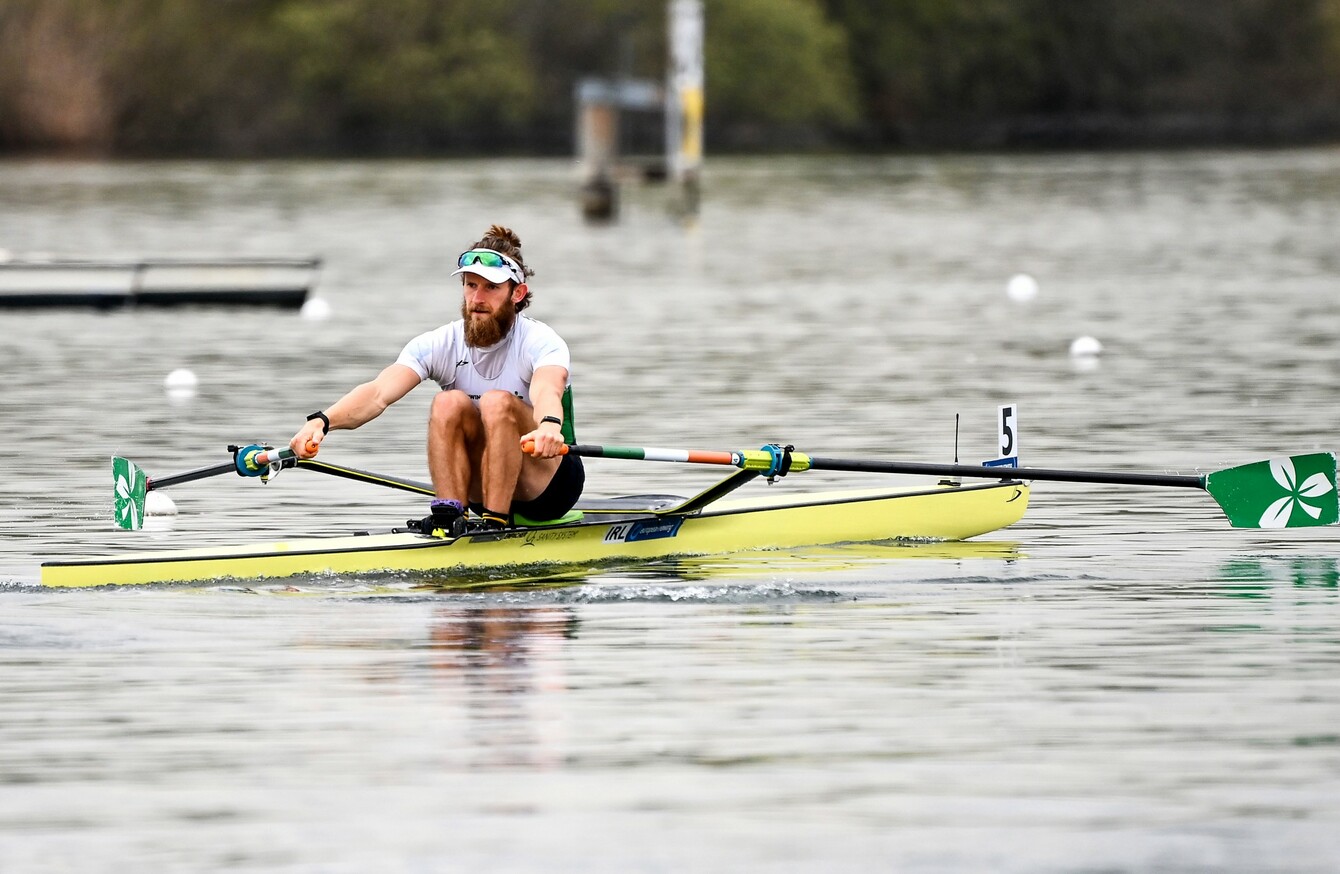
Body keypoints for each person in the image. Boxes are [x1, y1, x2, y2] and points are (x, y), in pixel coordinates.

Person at [288, 224, 583, 536]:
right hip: (484, 480)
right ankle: (450, 515)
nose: (477, 298)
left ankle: (494, 525)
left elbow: (548, 388)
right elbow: (378, 393)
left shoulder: (541, 341)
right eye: (471, 286)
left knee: (497, 401)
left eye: (491, 288)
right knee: (448, 402)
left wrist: (550, 426)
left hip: (547, 485)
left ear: (517, 293)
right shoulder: (441, 343)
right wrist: (321, 422)